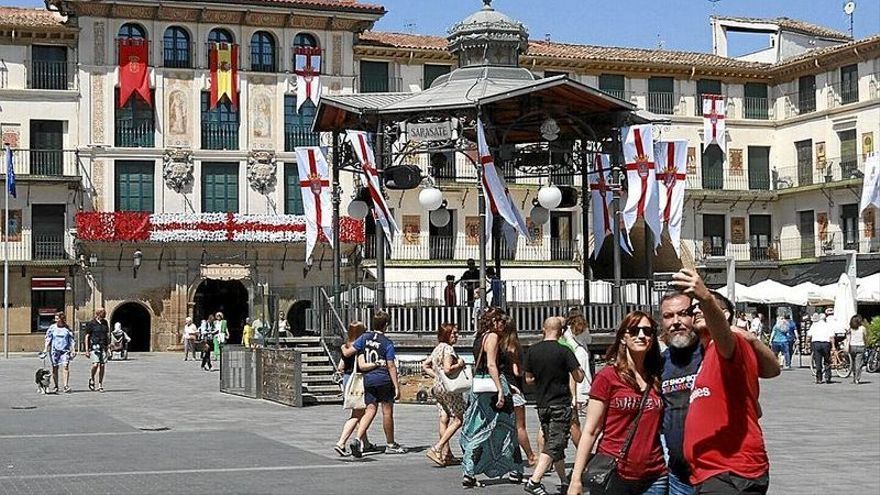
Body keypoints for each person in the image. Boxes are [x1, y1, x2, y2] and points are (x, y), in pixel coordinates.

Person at [657, 288, 780, 495]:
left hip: (727, 470)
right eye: (668, 316)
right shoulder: (664, 361)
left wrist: (705, 297)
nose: (677, 321)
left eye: (685, 312)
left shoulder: (723, 346)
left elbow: (772, 369)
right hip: (691, 473)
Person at [568, 311, 667, 495]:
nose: (641, 335)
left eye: (647, 331)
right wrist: (576, 479)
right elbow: (591, 430)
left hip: (654, 475)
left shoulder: (657, 376)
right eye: (634, 330)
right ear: (623, 337)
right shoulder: (607, 377)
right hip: (614, 473)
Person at [460, 307, 522, 488]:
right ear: (493, 321)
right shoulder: (493, 337)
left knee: (479, 428)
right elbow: (492, 365)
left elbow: (483, 368)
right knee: (508, 428)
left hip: (479, 386)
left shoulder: (479, 337)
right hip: (493, 389)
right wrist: (501, 390)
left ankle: (469, 471)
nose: (503, 324)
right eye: (501, 321)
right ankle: (515, 469)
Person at [523, 316, 584, 495]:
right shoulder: (564, 350)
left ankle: (564, 480)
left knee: (553, 443)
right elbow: (578, 377)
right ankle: (534, 481)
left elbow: (528, 379)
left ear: (544, 328)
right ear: (561, 331)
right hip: (560, 402)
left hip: (542, 403)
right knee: (556, 443)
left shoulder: (532, 351)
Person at [343, 310, 405, 458]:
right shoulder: (387, 343)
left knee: (370, 410)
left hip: (368, 379)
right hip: (383, 379)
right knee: (387, 411)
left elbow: (349, 351)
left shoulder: (364, 337)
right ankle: (390, 444)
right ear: (386, 325)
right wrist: (396, 386)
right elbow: (391, 365)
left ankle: (358, 439)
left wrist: (342, 347)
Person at [422, 323, 467, 467]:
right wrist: (459, 365)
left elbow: (425, 365)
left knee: (444, 418)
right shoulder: (448, 349)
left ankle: (446, 454)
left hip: (438, 388)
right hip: (449, 388)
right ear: (446, 334)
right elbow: (448, 369)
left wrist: (436, 376)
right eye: (453, 333)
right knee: (458, 419)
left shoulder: (437, 348)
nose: (456, 336)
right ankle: (438, 448)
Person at [500, 314, 535, 476]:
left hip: (501, 389)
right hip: (514, 389)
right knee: (520, 427)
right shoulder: (513, 346)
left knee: (507, 428)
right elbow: (516, 371)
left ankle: (511, 461)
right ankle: (530, 456)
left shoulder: (498, 345)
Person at [335, 321, 372, 456]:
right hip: (357, 381)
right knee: (357, 414)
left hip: (347, 379)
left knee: (359, 412)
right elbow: (362, 366)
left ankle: (365, 443)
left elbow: (340, 367)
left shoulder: (345, 346)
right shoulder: (360, 347)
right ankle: (341, 442)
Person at [562, 309, 593, 450]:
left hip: (572, 354)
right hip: (582, 352)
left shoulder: (566, 330)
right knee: (584, 376)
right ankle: (583, 396)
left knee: (574, 376)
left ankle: (576, 396)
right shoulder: (584, 328)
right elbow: (589, 340)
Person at [43, 312, 75, 394]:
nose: (56, 320)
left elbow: (71, 340)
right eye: (55, 318)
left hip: (65, 351)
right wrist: (45, 348)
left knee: (65, 366)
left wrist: (73, 349)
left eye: (57, 318)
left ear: (62, 319)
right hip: (54, 351)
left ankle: (65, 385)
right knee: (55, 368)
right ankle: (56, 385)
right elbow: (48, 338)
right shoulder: (52, 328)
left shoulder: (67, 328)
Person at [84, 308, 111, 392]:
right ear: (99, 313)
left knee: (102, 365)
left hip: (103, 346)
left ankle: (100, 384)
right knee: (95, 364)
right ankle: (92, 378)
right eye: (104, 313)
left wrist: (109, 347)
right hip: (94, 346)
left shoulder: (105, 322)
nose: (105, 314)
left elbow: (107, 335)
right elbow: (87, 336)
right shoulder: (91, 323)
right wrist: (86, 350)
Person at [808, 313, 834, 384]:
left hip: (816, 343)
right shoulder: (828, 325)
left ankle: (819, 378)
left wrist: (807, 344)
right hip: (826, 344)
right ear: (825, 319)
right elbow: (831, 337)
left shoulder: (814, 325)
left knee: (818, 361)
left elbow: (809, 335)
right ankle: (828, 377)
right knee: (827, 360)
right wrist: (833, 346)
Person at [847, 315, 867, 385]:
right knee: (859, 363)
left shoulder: (851, 329)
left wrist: (847, 346)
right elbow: (865, 337)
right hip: (861, 346)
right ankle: (857, 379)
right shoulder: (863, 328)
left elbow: (848, 338)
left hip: (852, 346)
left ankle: (854, 376)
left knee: (853, 363)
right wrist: (866, 344)